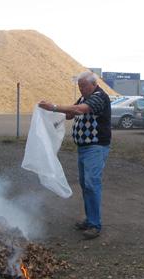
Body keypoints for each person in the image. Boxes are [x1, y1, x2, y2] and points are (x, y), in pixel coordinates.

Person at [39, 71, 111, 240]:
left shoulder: (99, 97)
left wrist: (53, 107)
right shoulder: (84, 97)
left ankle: (95, 224)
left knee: (91, 184)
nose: (81, 89)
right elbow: (71, 113)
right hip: (84, 148)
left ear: (94, 84)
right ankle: (90, 219)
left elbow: (79, 110)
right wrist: (49, 117)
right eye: (79, 86)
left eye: (83, 86)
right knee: (86, 185)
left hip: (96, 147)